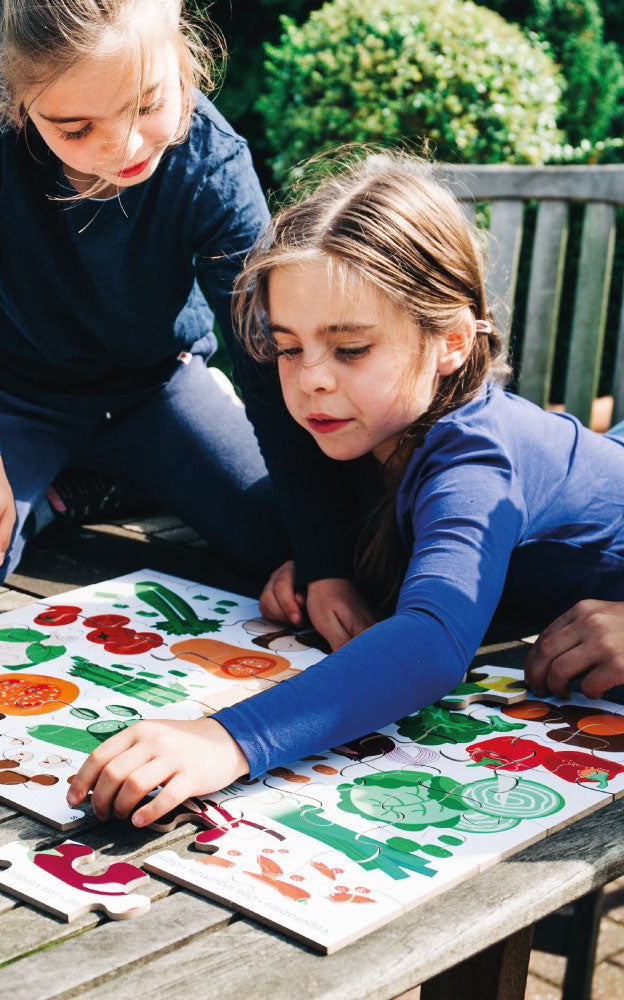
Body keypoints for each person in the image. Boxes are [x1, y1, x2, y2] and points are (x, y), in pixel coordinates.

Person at [67, 152, 624, 826]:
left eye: (350, 348)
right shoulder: (362, 424)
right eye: (288, 347)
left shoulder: (477, 459)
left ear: (451, 342)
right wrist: (327, 557)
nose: (312, 379)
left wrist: (225, 740)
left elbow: (430, 644)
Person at [0, 0, 291, 611]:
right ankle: (66, 491)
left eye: (148, 105)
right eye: (76, 129)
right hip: (15, 390)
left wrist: (324, 563)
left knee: (285, 535)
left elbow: (264, 351)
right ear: (14, 100)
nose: (124, 146)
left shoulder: (213, 162)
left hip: (159, 387)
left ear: (180, 50)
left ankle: (120, 473)